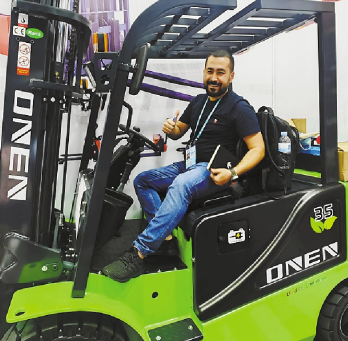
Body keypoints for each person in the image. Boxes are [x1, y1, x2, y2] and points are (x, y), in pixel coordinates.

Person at [102, 49, 265, 282]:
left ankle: (138, 253)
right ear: (204, 72)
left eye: (221, 73)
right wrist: (171, 127)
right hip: (189, 165)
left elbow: (258, 149)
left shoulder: (239, 107)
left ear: (231, 76)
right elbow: (180, 131)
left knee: (180, 185)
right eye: (210, 71)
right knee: (143, 180)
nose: (214, 78)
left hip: (211, 169)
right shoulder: (198, 101)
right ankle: (165, 239)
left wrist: (232, 172)